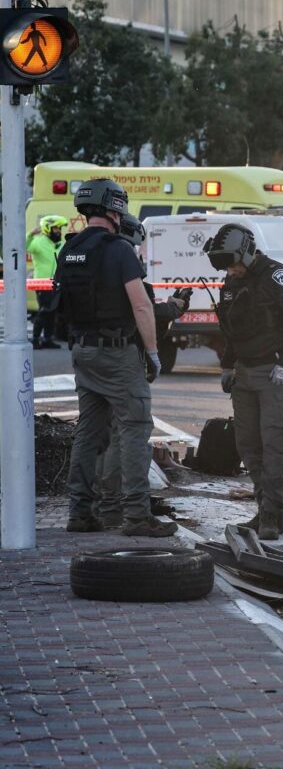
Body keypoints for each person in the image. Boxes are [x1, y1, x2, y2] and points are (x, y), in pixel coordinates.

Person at [55, 178, 176, 536]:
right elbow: (141, 305)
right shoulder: (119, 250)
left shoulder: (69, 249)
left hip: (83, 351)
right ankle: (137, 516)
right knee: (136, 427)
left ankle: (80, 513)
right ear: (114, 207)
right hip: (116, 353)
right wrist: (153, 352)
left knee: (88, 432)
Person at [205, 223, 283, 541]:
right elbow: (231, 330)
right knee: (248, 446)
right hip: (245, 373)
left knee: (274, 445)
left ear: (247, 254)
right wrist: (228, 367)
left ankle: (272, 515)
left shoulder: (277, 276)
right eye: (225, 266)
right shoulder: (232, 281)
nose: (231, 271)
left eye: (233, 263)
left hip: (275, 372)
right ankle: (262, 506)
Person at [94, 213, 192, 528]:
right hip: (124, 360)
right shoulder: (125, 265)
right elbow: (146, 310)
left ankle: (106, 508)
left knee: (105, 435)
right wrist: (175, 308)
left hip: (93, 359)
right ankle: (133, 511)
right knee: (131, 433)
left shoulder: (94, 262)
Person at [27, 214, 66, 349]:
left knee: (52, 313)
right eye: (56, 228)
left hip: (56, 283)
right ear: (48, 228)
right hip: (42, 283)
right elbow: (24, 247)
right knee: (44, 311)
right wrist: (31, 234)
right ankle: (36, 338)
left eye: (59, 228)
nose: (58, 231)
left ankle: (48, 339)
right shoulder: (38, 242)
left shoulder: (60, 244)